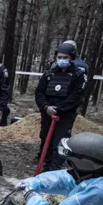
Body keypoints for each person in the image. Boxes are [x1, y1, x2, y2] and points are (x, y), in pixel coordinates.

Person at [34, 42, 86, 171]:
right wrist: (46, 107)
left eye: (65, 58)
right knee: (46, 139)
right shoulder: (49, 73)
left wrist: (59, 108)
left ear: (71, 58)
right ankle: (46, 166)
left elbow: (77, 96)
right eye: (59, 57)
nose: (61, 60)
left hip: (65, 115)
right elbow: (39, 92)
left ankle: (55, 168)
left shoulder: (78, 75)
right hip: (47, 113)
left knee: (60, 142)